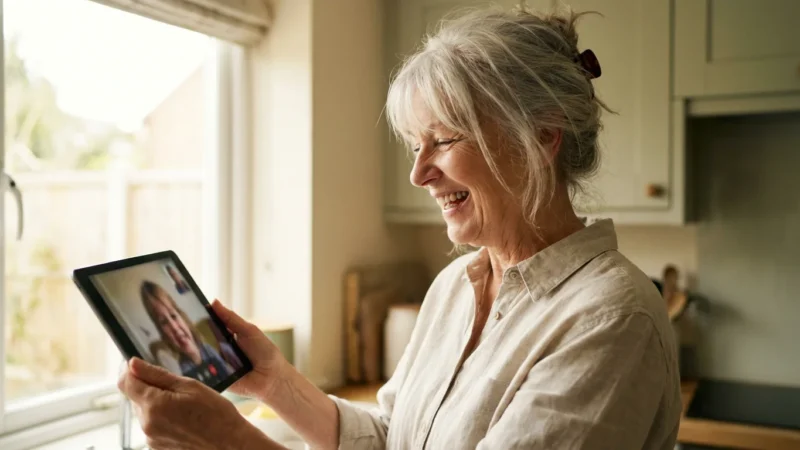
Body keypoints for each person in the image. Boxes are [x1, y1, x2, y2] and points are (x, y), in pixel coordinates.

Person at [118, 6, 681, 450]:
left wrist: (231, 442)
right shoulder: (455, 286)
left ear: (540, 137)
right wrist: (273, 382)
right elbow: (393, 438)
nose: (418, 172)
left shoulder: (611, 319)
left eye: (445, 139)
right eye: (416, 146)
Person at [139, 280, 240, 383]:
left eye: (173, 316)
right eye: (164, 322)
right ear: (163, 334)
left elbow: (229, 374)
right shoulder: (181, 371)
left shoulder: (206, 348)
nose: (174, 327)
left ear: (183, 318)